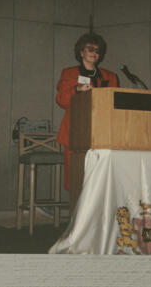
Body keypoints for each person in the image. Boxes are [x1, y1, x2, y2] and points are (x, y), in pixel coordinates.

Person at [56, 32, 119, 190]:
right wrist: (77, 89)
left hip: (103, 133)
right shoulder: (69, 73)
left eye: (97, 51)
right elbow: (61, 100)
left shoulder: (110, 76)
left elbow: (115, 103)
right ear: (81, 51)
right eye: (90, 49)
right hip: (76, 132)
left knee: (101, 182)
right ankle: (77, 213)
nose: (94, 53)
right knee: (78, 179)